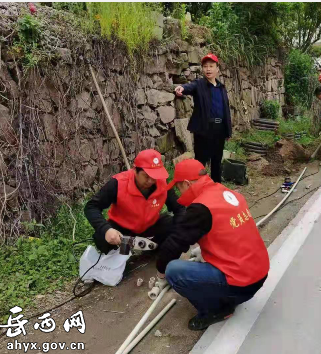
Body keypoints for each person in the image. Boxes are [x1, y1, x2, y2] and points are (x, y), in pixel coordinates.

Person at [154, 159, 269, 331]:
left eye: (178, 188)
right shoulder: (226, 192)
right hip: (259, 274)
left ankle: (217, 309)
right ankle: (228, 295)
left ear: (186, 184)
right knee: (200, 256)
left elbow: (174, 244)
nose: (179, 194)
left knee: (174, 271)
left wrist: (161, 272)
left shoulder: (200, 207)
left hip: (241, 284)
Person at [84, 149, 184, 254]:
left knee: (174, 225)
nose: (150, 181)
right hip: (123, 233)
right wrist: (106, 229)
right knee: (102, 237)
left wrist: (179, 233)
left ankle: (152, 249)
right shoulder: (118, 183)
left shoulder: (162, 184)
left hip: (150, 228)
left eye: (154, 177)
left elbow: (179, 208)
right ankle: (126, 253)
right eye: (146, 176)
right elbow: (91, 207)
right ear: (135, 170)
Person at [174, 53, 232, 183]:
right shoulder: (199, 84)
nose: (208, 69)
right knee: (200, 162)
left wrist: (227, 130)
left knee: (217, 162)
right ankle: (199, 188)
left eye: (211, 66)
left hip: (219, 130)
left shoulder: (221, 88)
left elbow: (226, 110)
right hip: (204, 129)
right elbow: (189, 87)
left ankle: (216, 188)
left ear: (217, 69)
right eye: (205, 66)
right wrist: (182, 88)